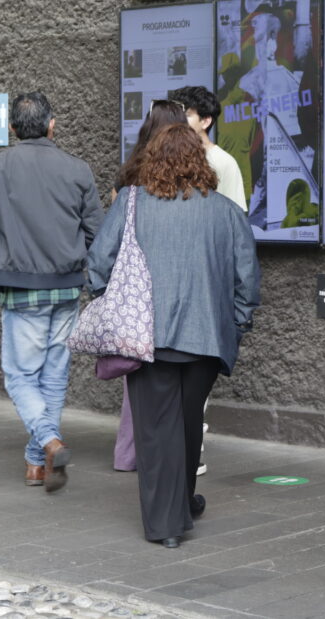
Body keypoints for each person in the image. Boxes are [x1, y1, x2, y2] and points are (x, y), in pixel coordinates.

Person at [88, 124, 260, 548]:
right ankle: (183, 502)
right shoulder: (226, 212)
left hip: (145, 335)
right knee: (187, 426)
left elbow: (97, 264)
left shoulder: (130, 203)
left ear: (153, 159)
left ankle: (166, 524)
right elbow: (247, 281)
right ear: (200, 162)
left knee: (154, 431)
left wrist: (110, 303)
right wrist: (237, 324)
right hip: (206, 339)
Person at [0, 92, 103, 492]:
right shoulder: (78, 169)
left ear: (11, 129)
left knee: (20, 375)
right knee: (54, 378)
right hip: (67, 287)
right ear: (52, 124)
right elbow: (96, 231)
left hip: (20, 287)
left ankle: (48, 442)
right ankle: (36, 463)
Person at [111, 99, 189, 472]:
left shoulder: (129, 174)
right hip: (177, 285)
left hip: (136, 285)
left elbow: (113, 232)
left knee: (137, 376)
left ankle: (128, 453)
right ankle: (171, 453)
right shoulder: (189, 173)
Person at [170, 85, 247, 212]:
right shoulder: (166, 157)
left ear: (205, 121)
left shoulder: (224, 162)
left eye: (186, 115)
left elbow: (235, 216)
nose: (178, 121)